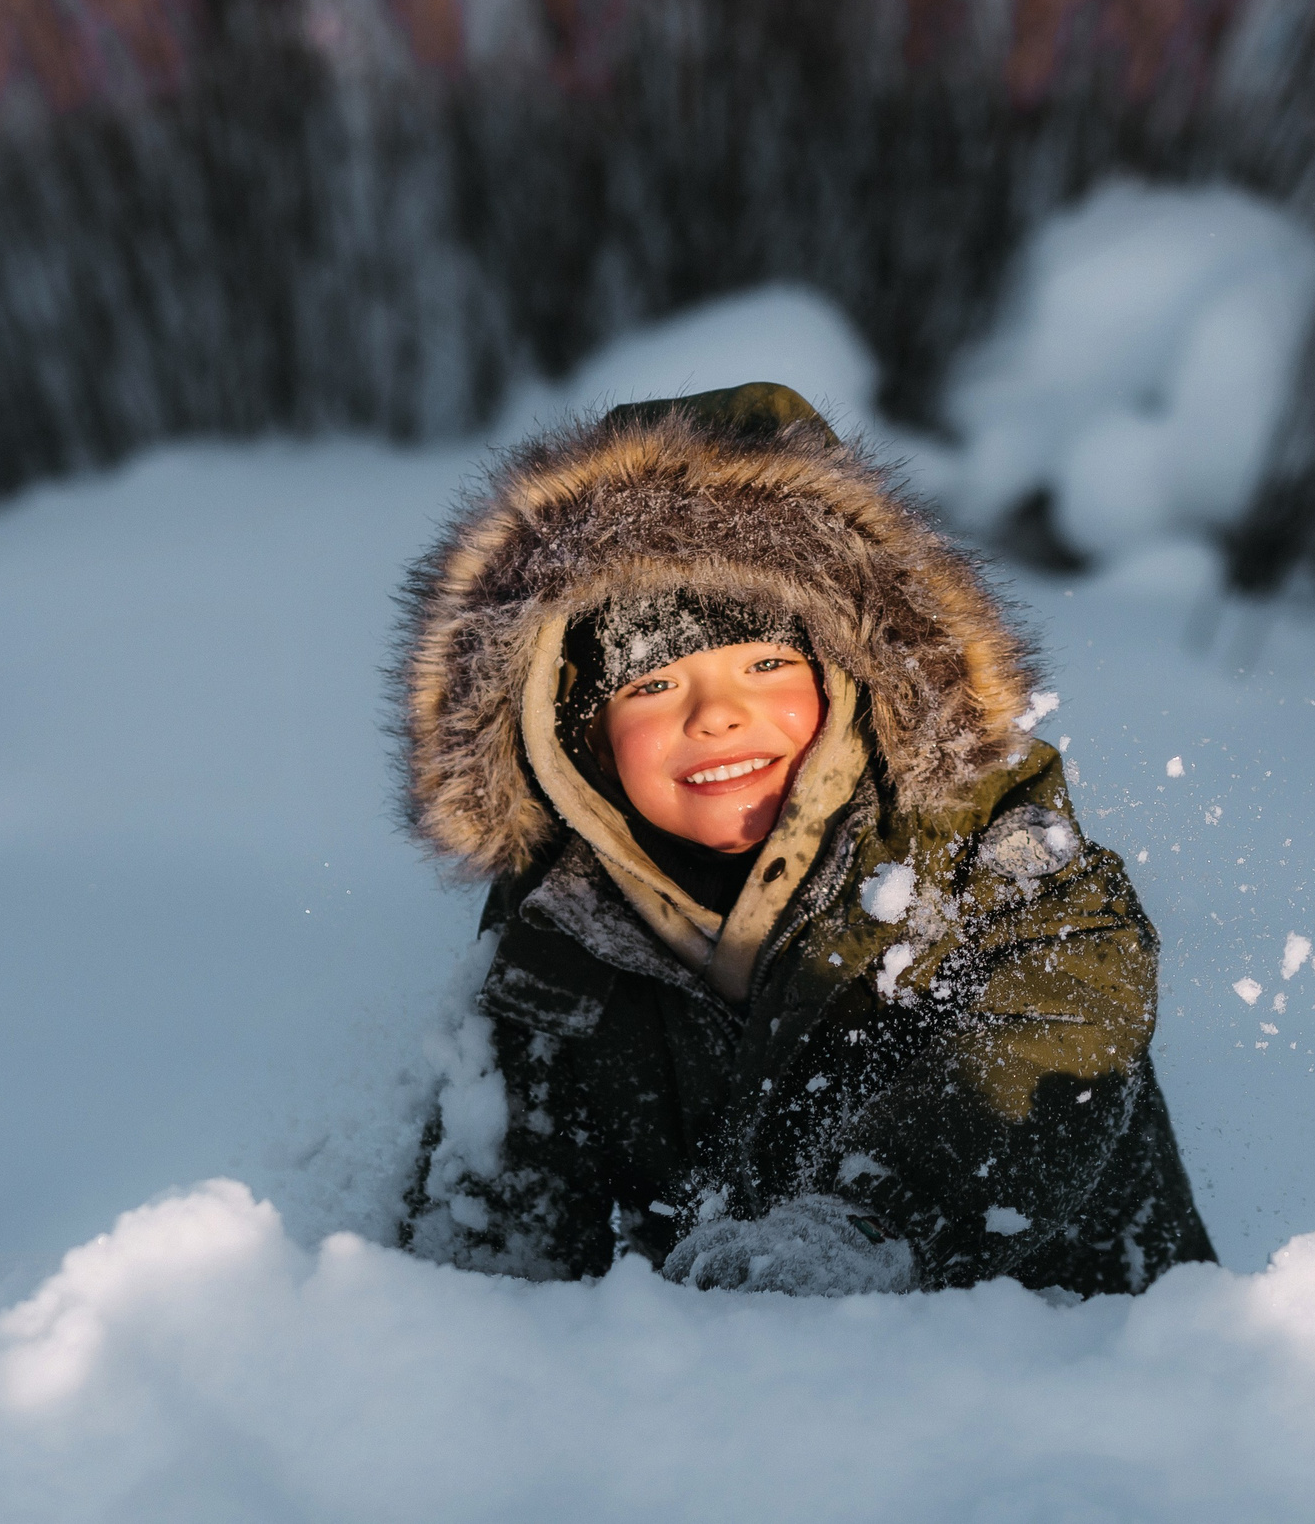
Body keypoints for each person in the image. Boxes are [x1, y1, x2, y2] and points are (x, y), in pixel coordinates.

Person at [392, 381, 1213, 1295]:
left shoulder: (971, 831)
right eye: (652, 687)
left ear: (852, 674)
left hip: (1067, 1355)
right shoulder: (560, 919)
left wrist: (873, 1214)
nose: (717, 718)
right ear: (574, 736)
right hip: (765, 1399)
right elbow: (499, 1194)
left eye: (767, 664)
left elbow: (1063, 1010)